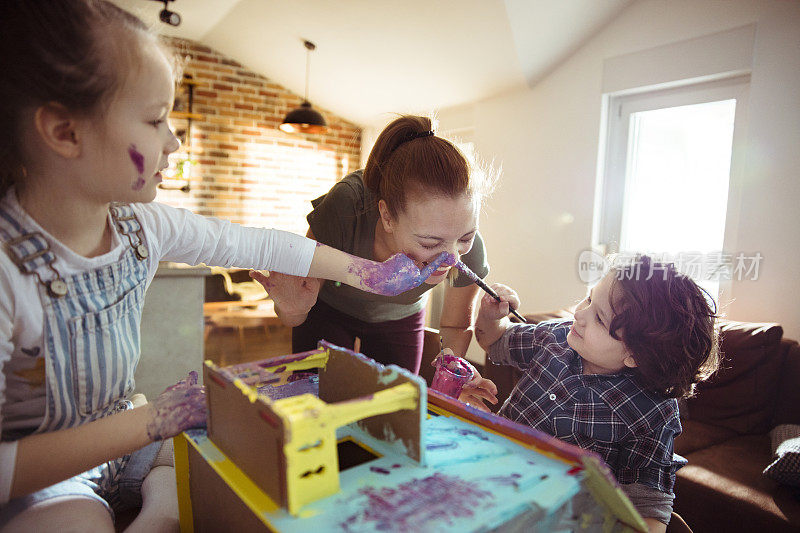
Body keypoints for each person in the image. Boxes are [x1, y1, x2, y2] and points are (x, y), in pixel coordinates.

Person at [0, 2, 445, 531]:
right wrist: (156, 419)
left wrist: (368, 274)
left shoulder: (142, 226)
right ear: (65, 132)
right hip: (49, 470)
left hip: (127, 432)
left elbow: (254, 244)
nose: (174, 141)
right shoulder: (9, 271)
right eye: (154, 119)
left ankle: (161, 502)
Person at [472, 256, 719, 532]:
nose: (579, 313)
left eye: (599, 318)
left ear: (636, 355)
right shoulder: (556, 337)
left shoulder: (653, 413)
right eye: (589, 299)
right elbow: (493, 341)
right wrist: (490, 317)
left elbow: (649, 512)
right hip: (488, 476)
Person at [251, 115, 496, 374]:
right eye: (429, 243)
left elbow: (456, 327)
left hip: (401, 317)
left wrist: (452, 375)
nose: (452, 257)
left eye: (465, 238)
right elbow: (296, 313)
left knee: (394, 406)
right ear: (387, 216)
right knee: (314, 392)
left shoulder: (462, 243)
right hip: (328, 308)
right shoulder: (346, 205)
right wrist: (290, 309)